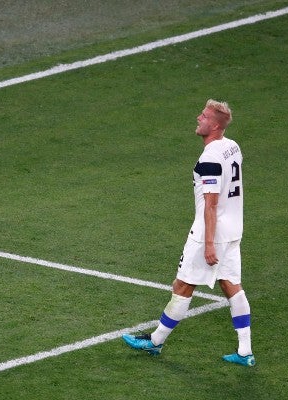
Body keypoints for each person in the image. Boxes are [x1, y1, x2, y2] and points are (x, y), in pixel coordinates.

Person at [122, 99, 255, 367]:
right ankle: (245, 351)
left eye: (204, 116)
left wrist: (207, 245)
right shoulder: (233, 147)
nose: (198, 118)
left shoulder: (210, 157)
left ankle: (155, 342)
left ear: (215, 125)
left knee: (182, 286)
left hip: (211, 232)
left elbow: (211, 202)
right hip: (233, 229)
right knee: (231, 285)